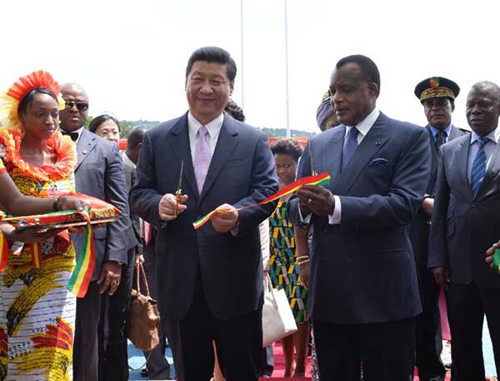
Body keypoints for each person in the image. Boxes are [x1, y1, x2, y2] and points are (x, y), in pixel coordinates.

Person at [130, 46, 278, 381]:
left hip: (235, 280)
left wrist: (240, 215)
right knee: (189, 371)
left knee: (242, 369)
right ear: (185, 83)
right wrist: (159, 206)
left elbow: (268, 194)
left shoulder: (252, 140)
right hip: (179, 281)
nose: (206, 89)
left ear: (231, 88)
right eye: (198, 79)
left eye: (216, 81)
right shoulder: (157, 138)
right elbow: (139, 194)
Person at [288, 54, 431, 380]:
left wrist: (336, 206)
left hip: (384, 294)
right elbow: (294, 207)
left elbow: (403, 205)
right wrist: (305, 207)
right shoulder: (318, 144)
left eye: (346, 90)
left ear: (373, 90)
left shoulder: (408, 137)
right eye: (333, 91)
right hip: (331, 293)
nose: (337, 99)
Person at [0, 70, 86, 379]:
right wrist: (60, 205)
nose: (51, 121)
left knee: (56, 348)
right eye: (40, 114)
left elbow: (72, 201)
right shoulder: (3, 153)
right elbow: (14, 205)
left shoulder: (63, 155)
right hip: (15, 267)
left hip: (59, 266)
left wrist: (79, 220)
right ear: (20, 115)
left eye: (54, 114)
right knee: (19, 349)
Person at [59, 83, 131, 381]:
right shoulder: (31, 144)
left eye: (82, 105)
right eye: (69, 103)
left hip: (90, 260)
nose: (75, 109)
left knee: (87, 338)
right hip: (41, 256)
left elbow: (119, 207)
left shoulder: (105, 149)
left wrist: (114, 258)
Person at [428, 81, 500, 381]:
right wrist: (437, 258)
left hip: (496, 264)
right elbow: (441, 209)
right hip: (459, 269)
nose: (475, 111)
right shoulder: (449, 151)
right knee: (464, 349)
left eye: (484, 104)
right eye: (471, 105)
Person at [410, 76, 466, 381]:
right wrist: (423, 201)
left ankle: (464, 370)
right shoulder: (412, 141)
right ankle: (431, 373)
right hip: (420, 240)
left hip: (458, 240)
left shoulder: (468, 140)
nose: (435, 109)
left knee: (464, 312)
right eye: (429, 104)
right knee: (424, 314)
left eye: (441, 103)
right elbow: (403, 182)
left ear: (452, 106)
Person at [269, 138, 309, 377]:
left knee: (301, 312)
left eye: (287, 165)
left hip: (299, 258)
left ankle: (301, 363)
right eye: (278, 166)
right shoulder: (269, 191)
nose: (282, 171)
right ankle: (288, 364)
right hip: (276, 259)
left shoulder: (304, 191)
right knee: (281, 312)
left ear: (297, 164)